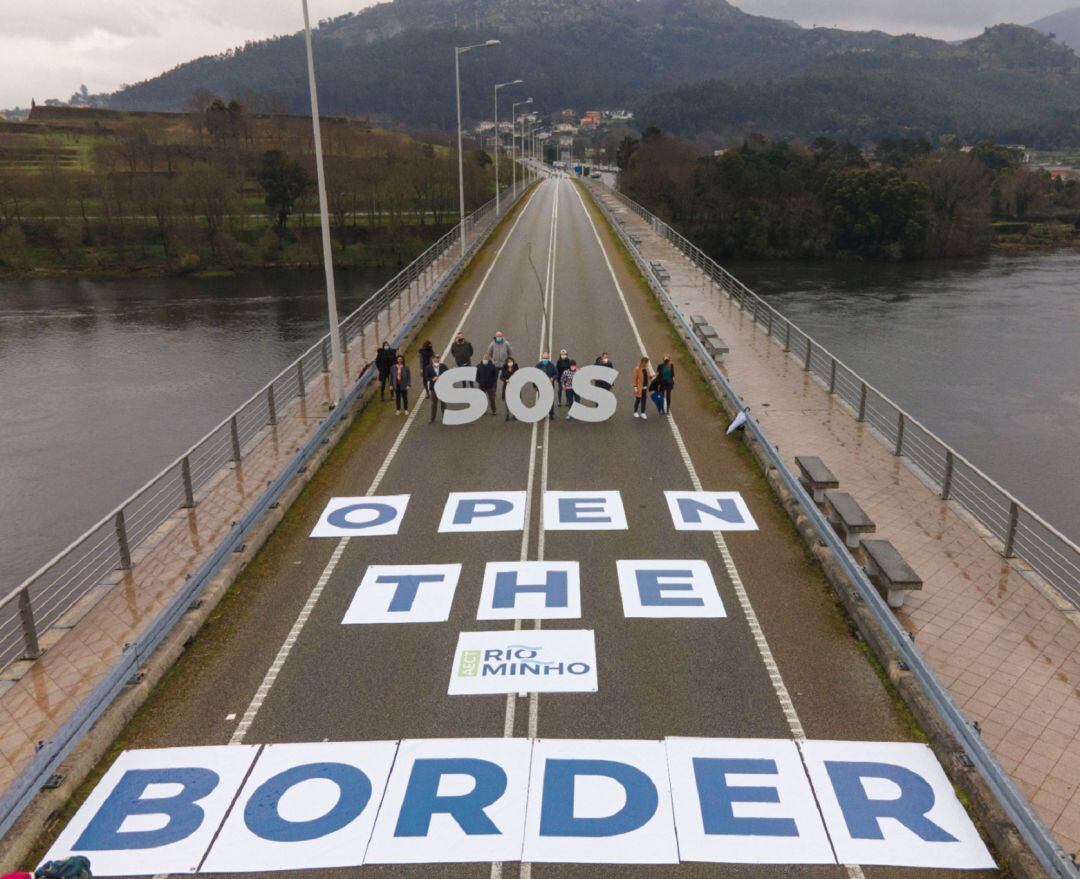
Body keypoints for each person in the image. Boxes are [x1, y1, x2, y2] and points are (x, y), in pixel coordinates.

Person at [424, 354, 449, 423]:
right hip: (433, 388)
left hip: (442, 388)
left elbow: (448, 374)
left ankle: (445, 418)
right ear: (432, 359)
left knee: (443, 403)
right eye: (435, 358)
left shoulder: (443, 366)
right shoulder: (428, 367)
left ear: (439, 359)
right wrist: (432, 379)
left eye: (438, 358)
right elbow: (426, 377)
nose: (436, 359)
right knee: (434, 404)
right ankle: (432, 419)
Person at [536, 351, 557, 420]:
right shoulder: (538, 365)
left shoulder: (552, 365)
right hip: (541, 386)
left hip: (550, 386)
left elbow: (556, 374)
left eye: (546, 358)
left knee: (550, 400)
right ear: (542, 357)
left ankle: (551, 414)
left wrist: (552, 378)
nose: (545, 359)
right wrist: (535, 386)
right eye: (544, 357)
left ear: (548, 358)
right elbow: (534, 375)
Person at [500, 356, 520, 420]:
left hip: (514, 387)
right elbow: (501, 377)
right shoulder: (504, 368)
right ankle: (507, 415)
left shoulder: (516, 367)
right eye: (508, 362)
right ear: (506, 363)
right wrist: (505, 380)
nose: (510, 363)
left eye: (511, 361)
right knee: (507, 402)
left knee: (514, 401)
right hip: (506, 387)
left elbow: (519, 375)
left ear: (513, 362)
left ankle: (514, 415)